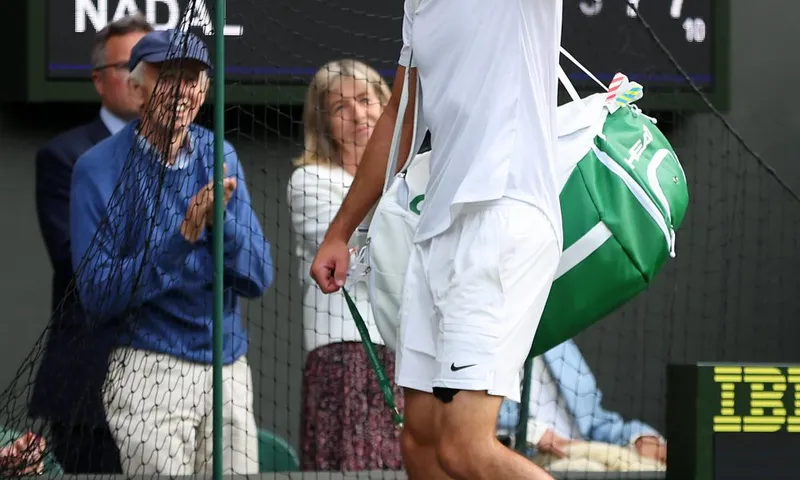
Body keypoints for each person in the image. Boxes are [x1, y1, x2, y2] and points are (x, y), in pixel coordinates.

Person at [310, 0, 564, 477]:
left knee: (465, 447)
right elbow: (400, 119)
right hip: (436, 232)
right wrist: (340, 231)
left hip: (503, 218)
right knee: (421, 442)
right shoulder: (418, 5)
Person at [69, 29, 273, 475]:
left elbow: (258, 275)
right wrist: (182, 238)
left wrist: (223, 223)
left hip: (228, 368)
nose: (181, 92)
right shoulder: (97, 169)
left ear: (204, 91)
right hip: (150, 369)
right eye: (168, 77)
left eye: (192, 79)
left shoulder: (220, 154)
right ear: (136, 88)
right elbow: (98, 295)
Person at [30, 14, 153, 474]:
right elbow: (77, 263)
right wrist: (176, 239)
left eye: (154, 66)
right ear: (100, 81)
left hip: (182, 381)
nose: (146, 80)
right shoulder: (67, 156)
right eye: (132, 66)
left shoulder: (198, 153)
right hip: (91, 390)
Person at [288, 59, 403, 471]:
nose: (358, 115)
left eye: (366, 100)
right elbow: (361, 259)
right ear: (324, 124)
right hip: (344, 355)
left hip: (405, 352)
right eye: (341, 108)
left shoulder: (412, 176)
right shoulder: (309, 181)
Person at [497, 339, 667, 471]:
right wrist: (537, 434)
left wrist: (640, 438)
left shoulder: (559, 344)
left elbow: (598, 422)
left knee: (657, 468)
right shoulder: (487, 342)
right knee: (590, 469)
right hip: (528, 459)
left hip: (586, 451)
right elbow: (478, 422)